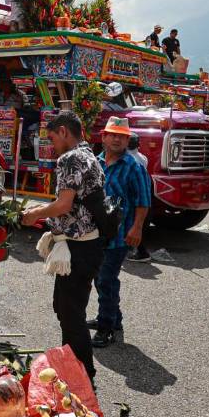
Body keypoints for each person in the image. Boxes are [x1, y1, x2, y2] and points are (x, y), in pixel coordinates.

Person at [21, 112, 105, 384]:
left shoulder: (69, 159)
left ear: (64, 132)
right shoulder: (89, 154)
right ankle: (73, 368)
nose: (52, 144)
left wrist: (35, 214)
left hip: (78, 249)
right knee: (66, 308)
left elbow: (64, 204)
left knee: (71, 314)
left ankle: (82, 376)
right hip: (89, 246)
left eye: (53, 137)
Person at [91, 118, 150, 349]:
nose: (116, 139)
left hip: (120, 235)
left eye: (122, 136)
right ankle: (113, 318)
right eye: (112, 134)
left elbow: (143, 201)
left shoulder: (134, 166)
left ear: (128, 140)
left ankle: (106, 327)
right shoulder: (96, 162)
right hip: (96, 233)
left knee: (106, 279)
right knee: (99, 278)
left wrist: (137, 228)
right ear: (104, 137)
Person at [125, 133, 153, 262]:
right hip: (143, 196)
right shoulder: (143, 157)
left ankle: (141, 252)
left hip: (133, 198)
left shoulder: (128, 159)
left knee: (132, 224)